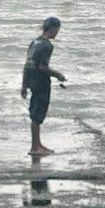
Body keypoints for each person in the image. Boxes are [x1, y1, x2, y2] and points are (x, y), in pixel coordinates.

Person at [21, 17, 67, 156]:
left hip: (32, 81)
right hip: (41, 83)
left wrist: (24, 85)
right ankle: (35, 148)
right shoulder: (47, 45)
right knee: (38, 115)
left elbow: (27, 65)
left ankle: (37, 144)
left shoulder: (34, 42)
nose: (57, 33)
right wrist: (58, 75)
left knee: (35, 113)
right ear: (53, 28)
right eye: (57, 30)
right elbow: (43, 67)